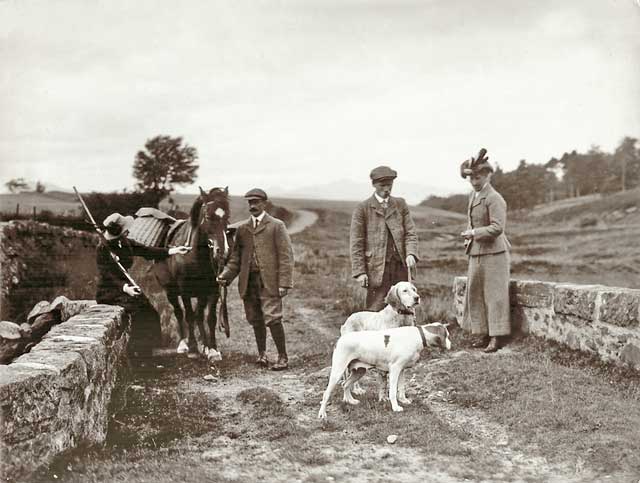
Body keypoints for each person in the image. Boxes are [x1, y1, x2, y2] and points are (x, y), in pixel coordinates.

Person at [217, 188, 294, 371]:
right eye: (250, 202)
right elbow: (236, 258)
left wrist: (284, 283)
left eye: (256, 202)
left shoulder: (276, 225)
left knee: (273, 318)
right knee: (255, 319)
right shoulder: (243, 229)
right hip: (248, 282)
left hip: (269, 281)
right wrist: (225, 276)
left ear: (264, 204)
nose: (252, 206)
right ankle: (262, 355)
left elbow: (286, 257)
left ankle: (283, 357)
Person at [95, 212, 191, 359]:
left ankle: (147, 353)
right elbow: (107, 275)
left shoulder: (125, 242)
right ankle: (135, 355)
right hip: (110, 291)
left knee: (151, 312)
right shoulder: (103, 249)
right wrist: (125, 288)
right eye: (125, 229)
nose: (128, 230)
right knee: (138, 314)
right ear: (118, 231)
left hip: (128, 288)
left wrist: (174, 250)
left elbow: (147, 250)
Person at [460, 149, 511, 353]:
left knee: (495, 296)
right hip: (477, 252)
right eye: (471, 178)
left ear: (488, 175)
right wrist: (471, 237)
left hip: (495, 254)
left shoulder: (494, 198)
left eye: (478, 177)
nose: (474, 181)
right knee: (476, 294)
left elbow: (498, 228)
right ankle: (482, 333)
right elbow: (473, 219)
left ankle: (496, 338)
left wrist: (473, 232)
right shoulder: (473, 195)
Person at [350, 166, 419, 311]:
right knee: (376, 310)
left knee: (404, 311)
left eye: (390, 185)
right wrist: (360, 272)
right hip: (376, 270)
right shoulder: (363, 208)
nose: (387, 189)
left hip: (400, 267)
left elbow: (410, 233)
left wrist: (411, 253)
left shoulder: (400, 205)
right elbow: (356, 243)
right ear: (374, 185)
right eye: (382, 185)